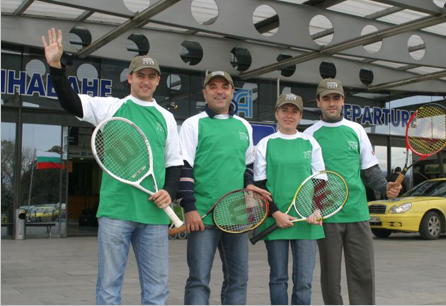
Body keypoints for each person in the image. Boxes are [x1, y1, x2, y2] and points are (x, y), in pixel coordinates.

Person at [42, 28, 183, 305]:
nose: (145, 80)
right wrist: (56, 67)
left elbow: (174, 163)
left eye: (151, 76)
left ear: (158, 81)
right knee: (108, 290)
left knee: (157, 292)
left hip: (154, 217)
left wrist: (169, 190)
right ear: (130, 78)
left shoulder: (166, 117)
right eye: (140, 75)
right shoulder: (110, 107)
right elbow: (70, 102)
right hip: (116, 211)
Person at [303, 78, 401, 305]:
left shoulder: (356, 130)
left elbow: (369, 170)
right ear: (318, 102)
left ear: (343, 101)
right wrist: (311, 209)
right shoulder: (310, 134)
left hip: (357, 213)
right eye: (326, 98)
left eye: (336, 98)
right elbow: (307, 178)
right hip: (326, 216)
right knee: (330, 278)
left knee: (363, 274)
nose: (331, 103)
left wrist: (384, 186)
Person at [177, 71, 270, 305]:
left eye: (225, 86)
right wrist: (189, 208)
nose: (219, 91)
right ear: (205, 92)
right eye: (213, 86)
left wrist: (249, 185)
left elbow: (248, 166)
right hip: (202, 218)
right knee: (199, 279)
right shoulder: (192, 124)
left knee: (238, 280)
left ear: (232, 92)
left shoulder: (244, 126)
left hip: (237, 218)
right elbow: (184, 168)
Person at [253, 93, 325, 305]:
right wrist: (275, 213)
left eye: (294, 111)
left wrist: (317, 210)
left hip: (306, 222)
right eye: (284, 110)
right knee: (278, 279)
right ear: (276, 113)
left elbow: (320, 181)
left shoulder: (310, 143)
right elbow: (259, 186)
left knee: (303, 281)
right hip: (276, 220)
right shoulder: (265, 144)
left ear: (300, 115)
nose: (289, 115)